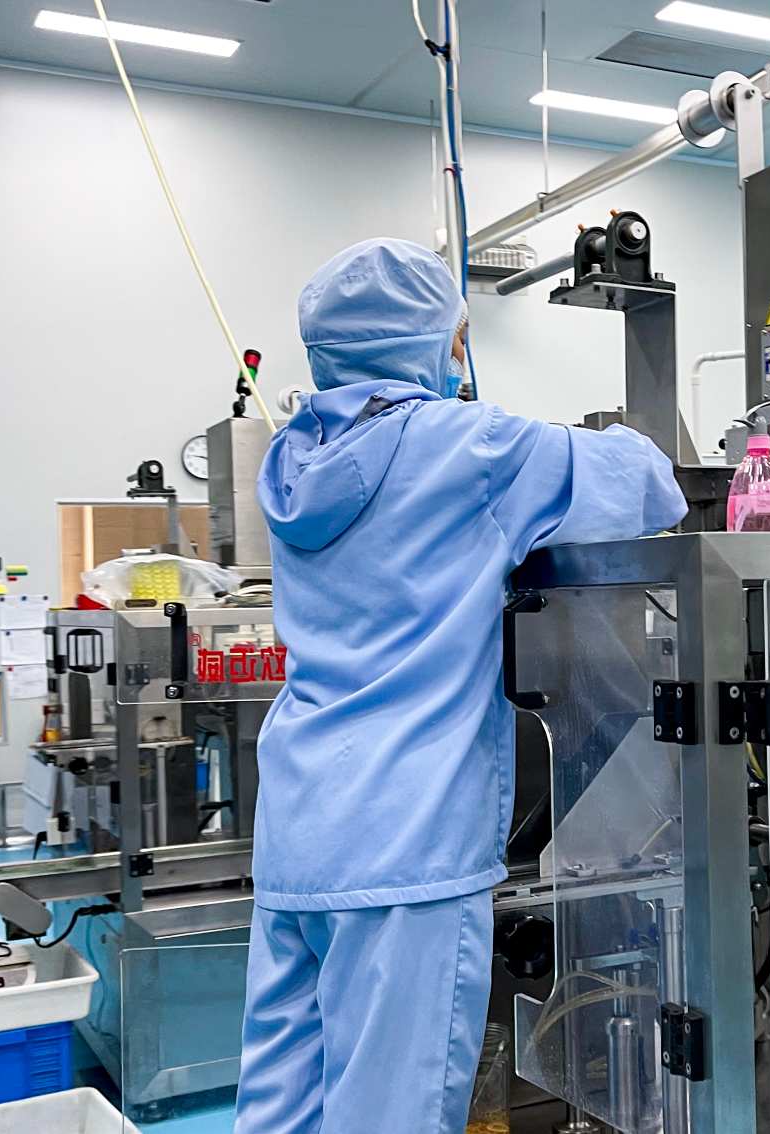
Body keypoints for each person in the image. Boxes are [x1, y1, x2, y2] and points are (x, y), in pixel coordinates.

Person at [234, 237, 688, 1133]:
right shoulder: (469, 446)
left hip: (299, 832)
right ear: (431, 341)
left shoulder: (290, 459)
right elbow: (649, 488)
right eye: (457, 338)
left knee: (282, 1107)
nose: (460, 357)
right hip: (408, 843)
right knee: (390, 1115)